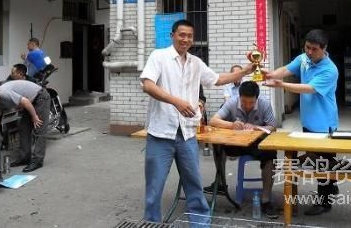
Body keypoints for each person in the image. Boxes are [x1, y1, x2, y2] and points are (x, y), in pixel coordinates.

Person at [140, 19, 255, 222]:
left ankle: (200, 223)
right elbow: (148, 85)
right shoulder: (159, 56)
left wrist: (245, 71)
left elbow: (217, 79)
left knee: (194, 184)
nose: (185, 39)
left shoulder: (195, 62)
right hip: (161, 134)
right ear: (172, 36)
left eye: (189, 36)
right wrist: (176, 102)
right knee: (154, 188)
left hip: (187, 134)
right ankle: (152, 223)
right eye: (181, 35)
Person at [263, 29, 339, 216]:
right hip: (308, 122)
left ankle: (325, 202)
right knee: (316, 161)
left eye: (314, 49)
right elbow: (286, 69)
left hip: (324, 124)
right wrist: (272, 74)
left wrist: (282, 85)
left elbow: (308, 88)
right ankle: (331, 185)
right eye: (307, 47)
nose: (310, 52)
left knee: (323, 164)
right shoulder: (304, 59)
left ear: (324, 49)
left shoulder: (330, 70)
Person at [208, 81, 278, 219]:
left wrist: (256, 128)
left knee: (270, 153)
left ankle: (266, 200)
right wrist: (231, 125)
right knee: (218, 146)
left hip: (256, 143)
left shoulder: (264, 103)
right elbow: (213, 121)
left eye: (251, 102)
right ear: (239, 97)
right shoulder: (232, 102)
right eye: (244, 102)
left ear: (257, 98)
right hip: (235, 142)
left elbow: (273, 127)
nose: (247, 105)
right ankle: (221, 183)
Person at [0, 79, 50, 173]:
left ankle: (38, 160)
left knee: (39, 128)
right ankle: (25, 158)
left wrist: (34, 116)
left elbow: (25, 101)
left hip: (40, 97)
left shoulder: (2, 93)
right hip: (29, 103)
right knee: (23, 129)